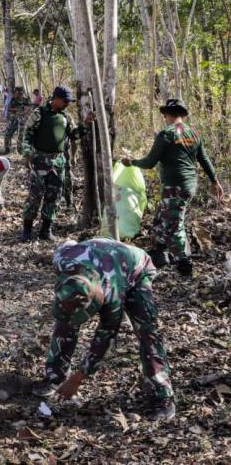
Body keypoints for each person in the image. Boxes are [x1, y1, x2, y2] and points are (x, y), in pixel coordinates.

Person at [32, 238, 176, 421]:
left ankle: (163, 395)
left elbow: (106, 338)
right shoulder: (63, 260)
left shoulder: (112, 293)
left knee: (147, 330)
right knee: (65, 321)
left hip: (136, 268)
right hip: (103, 257)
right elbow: (69, 243)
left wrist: (79, 377)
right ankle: (55, 377)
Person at [122, 98, 223, 277]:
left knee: (174, 225)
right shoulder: (194, 133)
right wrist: (214, 180)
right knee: (161, 219)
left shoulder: (167, 134)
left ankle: (185, 265)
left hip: (175, 187)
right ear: (182, 115)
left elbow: (150, 162)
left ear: (167, 115)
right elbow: (204, 159)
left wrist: (131, 162)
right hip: (189, 185)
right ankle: (158, 254)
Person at [21, 86, 88, 241]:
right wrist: (27, 155)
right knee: (34, 195)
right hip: (39, 160)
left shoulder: (66, 116)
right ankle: (27, 231)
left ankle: (46, 230)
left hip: (58, 162)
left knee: (54, 196)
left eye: (69, 101)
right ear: (56, 98)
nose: (67, 104)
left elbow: (74, 135)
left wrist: (85, 124)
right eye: (65, 101)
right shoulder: (39, 113)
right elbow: (27, 135)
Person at [3, 86, 30, 154]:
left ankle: (20, 150)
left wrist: (23, 111)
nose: (19, 95)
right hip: (13, 120)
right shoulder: (13, 99)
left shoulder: (25, 100)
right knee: (7, 134)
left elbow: (27, 109)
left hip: (22, 120)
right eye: (17, 93)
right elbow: (8, 108)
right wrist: (15, 110)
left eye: (20, 93)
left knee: (21, 136)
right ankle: (7, 149)